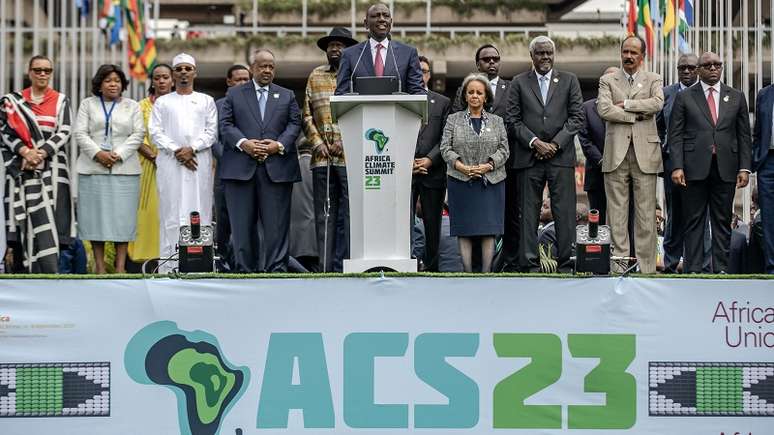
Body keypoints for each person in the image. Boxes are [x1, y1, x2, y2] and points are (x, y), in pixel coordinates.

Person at [669, 51, 752, 274]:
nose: (713, 68)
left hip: (726, 168)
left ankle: (722, 269)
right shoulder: (685, 97)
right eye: (708, 65)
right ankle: (694, 269)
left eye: (717, 64)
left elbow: (744, 135)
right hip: (693, 168)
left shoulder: (735, 96)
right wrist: (677, 166)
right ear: (699, 70)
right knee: (694, 221)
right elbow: (675, 134)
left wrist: (745, 167)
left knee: (722, 221)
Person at [219, 48, 302, 272]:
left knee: (277, 227)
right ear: (251, 68)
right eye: (262, 66)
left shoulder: (287, 95)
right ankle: (245, 271)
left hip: (277, 170)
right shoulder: (235, 94)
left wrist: (279, 145)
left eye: (271, 67)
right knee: (242, 227)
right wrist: (244, 143)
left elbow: (295, 124)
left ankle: (277, 270)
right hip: (240, 169)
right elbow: (225, 124)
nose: (267, 70)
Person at [507, 36, 584, 273]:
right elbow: (512, 119)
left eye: (549, 53)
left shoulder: (569, 80)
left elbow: (576, 118)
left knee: (564, 212)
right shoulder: (519, 82)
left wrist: (555, 144)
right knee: (529, 213)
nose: (545, 57)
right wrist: (535, 142)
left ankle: (565, 263)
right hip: (529, 158)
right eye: (540, 53)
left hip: (560, 158)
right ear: (532, 56)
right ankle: (529, 263)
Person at [0, 55, 76, 273]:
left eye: (47, 70)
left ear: (51, 73)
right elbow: (3, 130)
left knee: (50, 221)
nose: (42, 74)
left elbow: (65, 131)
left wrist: (40, 153)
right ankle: (21, 273)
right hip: (21, 170)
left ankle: (50, 273)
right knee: (20, 223)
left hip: (52, 171)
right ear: (29, 72)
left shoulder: (61, 100)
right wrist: (25, 151)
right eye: (38, 70)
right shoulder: (12, 102)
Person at [597, 35, 664, 274]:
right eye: (625, 51)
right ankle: (618, 269)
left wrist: (625, 104)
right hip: (615, 154)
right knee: (616, 215)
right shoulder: (607, 80)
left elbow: (657, 103)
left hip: (646, 155)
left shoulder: (654, 78)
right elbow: (604, 109)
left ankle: (647, 271)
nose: (628, 56)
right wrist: (636, 114)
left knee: (646, 217)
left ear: (642, 57)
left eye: (634, 52)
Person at [150, 53, 218, 273]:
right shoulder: (162, 102)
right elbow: (155, 132)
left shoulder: (206, 100)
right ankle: (169, 265)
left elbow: (211, 132)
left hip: (199, 163)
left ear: (194, 72)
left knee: (200, 211)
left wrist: (192, 149)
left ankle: (201, 264)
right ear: (173, 74)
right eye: (179, 69)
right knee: (171, 212)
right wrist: (177, 150)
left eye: (187, 68)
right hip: (171, 164)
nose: (183, 72)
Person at [74, 64, 144, 274]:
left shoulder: (132, 106)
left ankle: (121, 267)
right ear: (99, 84)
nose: (113, 84)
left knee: (122, 219)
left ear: (122, 84)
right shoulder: (88, 104)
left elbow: (138, 134)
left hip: (125, 169)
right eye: (108, 80)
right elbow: (80, 133)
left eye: (117, 80)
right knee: (96, 218)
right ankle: (100, 267)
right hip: (92, 168)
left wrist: (118, 154)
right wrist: (99, 154)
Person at [441, 74, 509, 273]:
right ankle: (468, 272)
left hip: (491, 182)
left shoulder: (497, 121)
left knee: (489, 230)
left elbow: (504, 150)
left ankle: (487, 273)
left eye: (479, 92)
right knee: (465, 229)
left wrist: (488, 166)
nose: (474, 96)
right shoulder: (453, 120)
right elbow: (445, 148)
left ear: (486, 97)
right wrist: (462, 167)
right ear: (465, 96)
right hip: (461, 181)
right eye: (470, 92)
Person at [303, 27, 357, 272]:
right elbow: (306, 114)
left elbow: (361, 114)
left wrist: (344, 141)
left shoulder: (357, 76)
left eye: (341, 45)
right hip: (321, 158)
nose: (335, 49)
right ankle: (325, 268)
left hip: (349, 157)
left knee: (348, 214)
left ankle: (345, 266)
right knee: (325, 213)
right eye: (331, 45)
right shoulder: (315, 75)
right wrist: (317, 143)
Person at [656, 53, 712, 273]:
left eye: (690, 68)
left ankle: (703, 267)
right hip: (673, 163)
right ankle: (670, 265)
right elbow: (659, 126)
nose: (686, 72)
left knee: (701, 214)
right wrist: (664, 148)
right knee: (675, 214)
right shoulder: (667, 93)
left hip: (701, 163)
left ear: (697, 70)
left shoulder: (706, 93)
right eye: (682, 68)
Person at [127, 63, 173, 270]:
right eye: (157, 78)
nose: (162, 81)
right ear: (152, 81)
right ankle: (145, 263)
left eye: (165, 77)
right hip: (147, 168)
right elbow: (135, 136)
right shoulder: (140, 106)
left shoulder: (179, 105)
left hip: (176, 166)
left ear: (172, 80)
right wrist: (155, 157)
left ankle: (173, 260)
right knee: (148, 216)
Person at [412, 55, 451, 272]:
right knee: (403, 223)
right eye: (416, 70)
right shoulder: (398, 100)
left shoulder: (442, 102)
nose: (420, 74)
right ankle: (408, 262)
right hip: (405, 174)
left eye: (424, 71)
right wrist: (409, 162)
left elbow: (446, 137)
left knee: (432, 224)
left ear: (429, 75)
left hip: (433, 172)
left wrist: (429, 160)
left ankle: (433, 267)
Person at [335, 3, 425, 96]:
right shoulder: (349, 54)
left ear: (391, 22)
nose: (382, 19)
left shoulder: (408, 53)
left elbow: (418, 92)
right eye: (375, 16)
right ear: (366, 24)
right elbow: (341, 94)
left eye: (386, 16)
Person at [214, 64, 251, 272]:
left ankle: (244, 264)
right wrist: (229, 159)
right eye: (238, 79)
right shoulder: (218, 105)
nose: (242, 83)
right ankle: (222, 262)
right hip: (225, 171)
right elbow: (214, 138)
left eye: (246, 79)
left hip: (251, 170)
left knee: (247, 220)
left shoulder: (253, 103)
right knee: (224, 219)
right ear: (229, 82)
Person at [579, 66, 619, 225]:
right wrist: (602, 161)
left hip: (623, 172)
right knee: (598, 222)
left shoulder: (629, 106)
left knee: (624, 220)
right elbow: (585, 139)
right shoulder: (587, 108)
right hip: (597, 174)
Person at [752, 80, 774, 273]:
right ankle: (771, 267)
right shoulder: (764, 94)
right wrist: (756, 157)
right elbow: (758, 132)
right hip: (768, 162)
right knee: (768, 217)